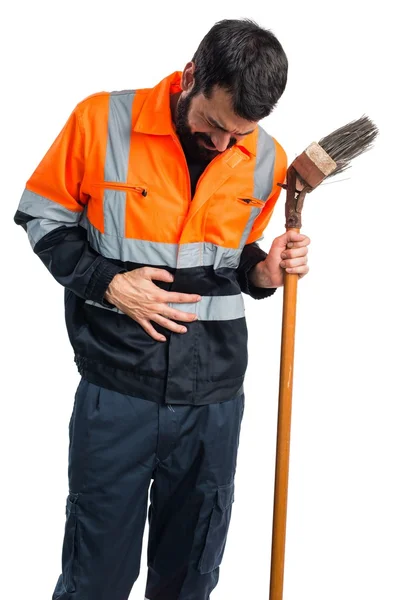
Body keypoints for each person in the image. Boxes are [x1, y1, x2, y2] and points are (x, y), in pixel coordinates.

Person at [14, 18, 310, 600]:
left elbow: (227, 258)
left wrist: (263, 272)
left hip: (214, 400)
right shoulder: (101, 122)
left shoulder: (265, 158)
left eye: (240, 133)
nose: (224, 144)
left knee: (191, 575)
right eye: (214, 123)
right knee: (95, 576)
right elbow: (41, 216)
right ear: (190, 76)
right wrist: (108, 283)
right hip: (118, 389)